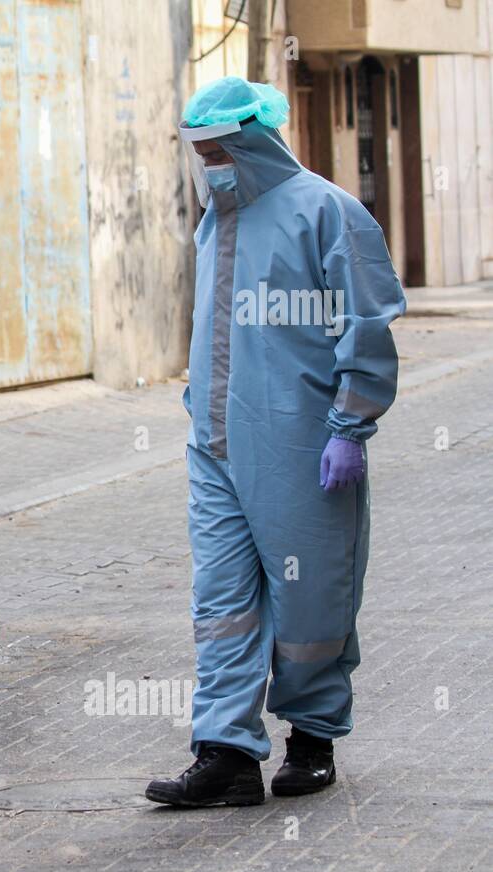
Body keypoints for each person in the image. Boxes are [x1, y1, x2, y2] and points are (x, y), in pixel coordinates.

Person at [146, 77, 405, 808]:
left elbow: (368, 325)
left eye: (217, 150)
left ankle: (313, 739)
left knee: (310, 599)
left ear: (252, 140)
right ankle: (225, 753)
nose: (207, 163)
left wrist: (349, 425)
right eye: (198, 152)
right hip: (218, 447)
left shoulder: (329, 213)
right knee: (221, 601)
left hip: (302, 445)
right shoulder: (216, 220)